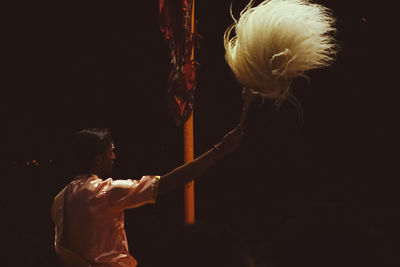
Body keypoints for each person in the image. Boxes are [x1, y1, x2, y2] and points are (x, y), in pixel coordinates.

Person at [51, 127, 244, 267]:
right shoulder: (106, 192)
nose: (114, 157)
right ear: (97, 160)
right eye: (111, 151)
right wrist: (221, 149)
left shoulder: (60, 199)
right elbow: (169, 182)